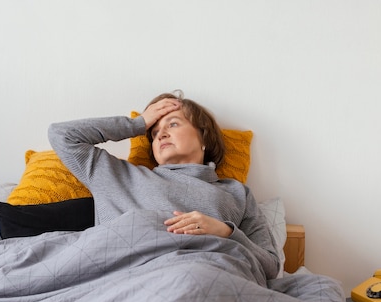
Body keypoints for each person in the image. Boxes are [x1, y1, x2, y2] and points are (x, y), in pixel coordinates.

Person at [48, 91, 280, 280]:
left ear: (204, 138)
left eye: (173, 124)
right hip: (127, 280)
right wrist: (138, 123)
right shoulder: (116, 175)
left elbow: (270, 266)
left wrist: (225, 231)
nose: (161, 135)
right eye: (155, 132)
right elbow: (61, 135)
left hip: (206, 279)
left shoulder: (236, 193)